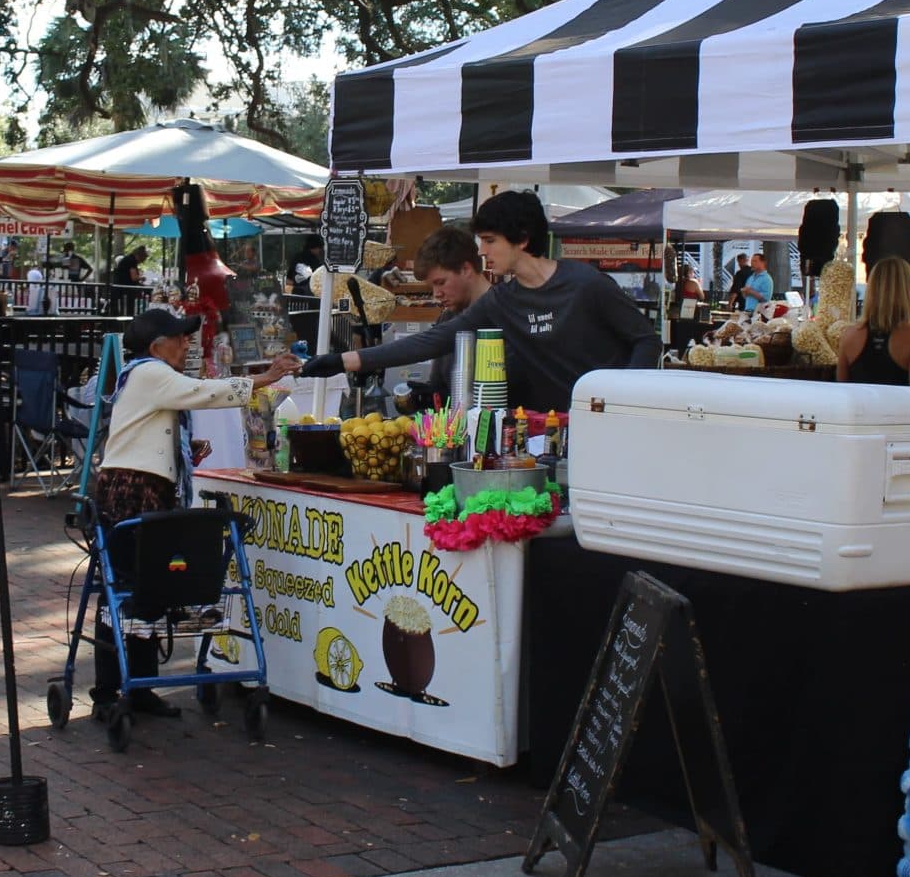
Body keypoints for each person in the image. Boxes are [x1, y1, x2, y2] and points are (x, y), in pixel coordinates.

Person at [91, 308, 296, 720]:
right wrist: (263, 378)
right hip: (134, 491)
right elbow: (203, 391)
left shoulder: (148, 376)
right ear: (156, 344)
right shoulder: (149, 372)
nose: (187, 344)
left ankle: (140, 685)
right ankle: (108, 692)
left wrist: (184, 450)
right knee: (127, 588)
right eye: (180, 338)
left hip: (147, 487)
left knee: (147, 588)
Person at [303, 192, 659, 414]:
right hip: (542, 434)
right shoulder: (504, 300)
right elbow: (432, 341)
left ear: (521, 239)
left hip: (603, 427)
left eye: (490, 240)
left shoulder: (585, 285)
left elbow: (647, 339)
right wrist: (341, 361)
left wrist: (619, 398)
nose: (483, 250)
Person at [393, 225, 491, 407]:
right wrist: (430, 396)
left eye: (440, 283)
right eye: (432, 287)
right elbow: (439, 383)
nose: (436, 294)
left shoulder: (503, 315)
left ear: (466, 269)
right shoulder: (446, 319)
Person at [837, 258, 910, 387]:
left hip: (861, 406)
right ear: (909, 291)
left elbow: (841, 386)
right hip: (901, 407)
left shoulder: (850, 334)